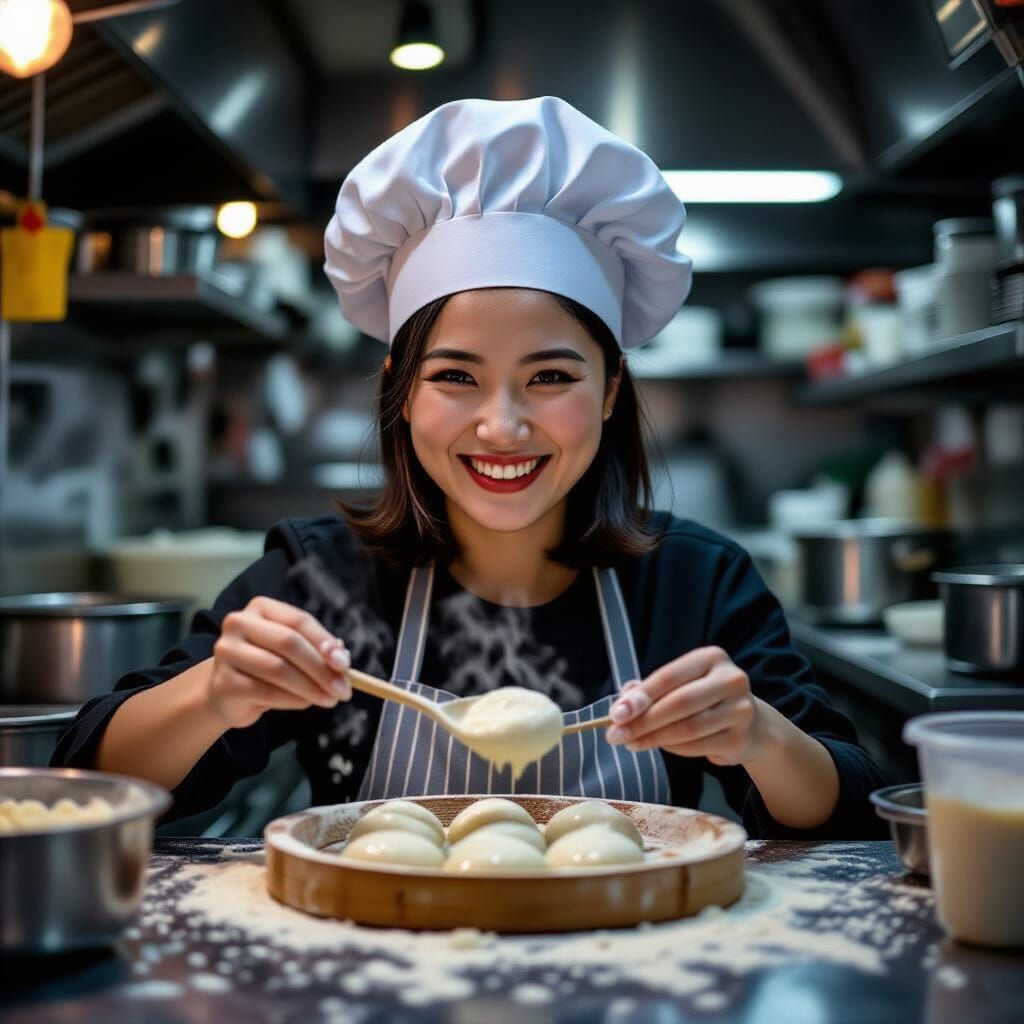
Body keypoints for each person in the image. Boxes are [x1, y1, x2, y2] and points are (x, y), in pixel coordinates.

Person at [52, 96, 886, 838]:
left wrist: (759, 736)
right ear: (401, 392)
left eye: (551, 377)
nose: (502, 425)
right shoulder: (325, 583)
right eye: (455, 377)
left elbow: (850, 806)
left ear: (609, 391)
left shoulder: (694, 584)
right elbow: (88, 780)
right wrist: (214, 696)